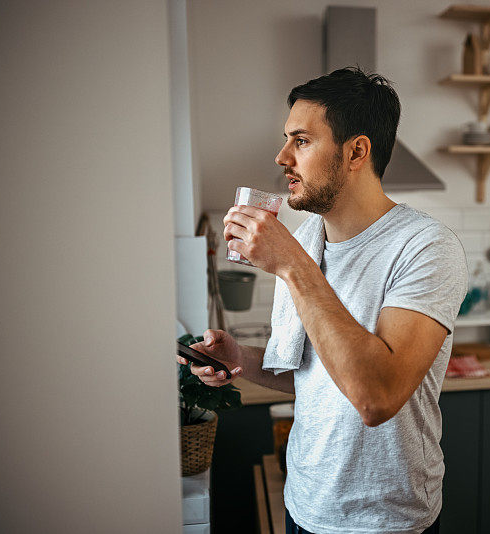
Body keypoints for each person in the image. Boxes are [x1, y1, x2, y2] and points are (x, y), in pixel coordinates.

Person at [177, 67, 467, 534]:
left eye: (302, 141)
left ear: (356, 151)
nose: (282, 156)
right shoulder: (308, 236)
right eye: (286, 140)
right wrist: (241, 360)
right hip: (305, 506)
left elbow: (376, 398)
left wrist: (291, 266)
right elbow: (319, 378)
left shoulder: (426, 247)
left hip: (385, 522)